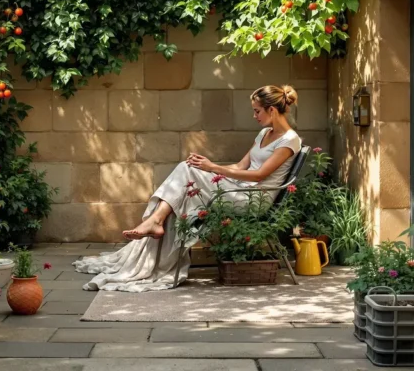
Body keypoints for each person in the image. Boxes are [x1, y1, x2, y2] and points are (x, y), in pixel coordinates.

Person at [73, 85, 302, 292]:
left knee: (186, 174)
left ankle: (155, 221)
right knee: (187, 176)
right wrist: (208, 167)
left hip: (253, 200)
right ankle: (157, 223)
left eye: (257, 111)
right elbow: (240, 166)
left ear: (272, 110)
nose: (254, 116)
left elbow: (260, 175)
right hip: (238, 189)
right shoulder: (264, 134)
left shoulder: (289, 140)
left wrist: (212, 168)